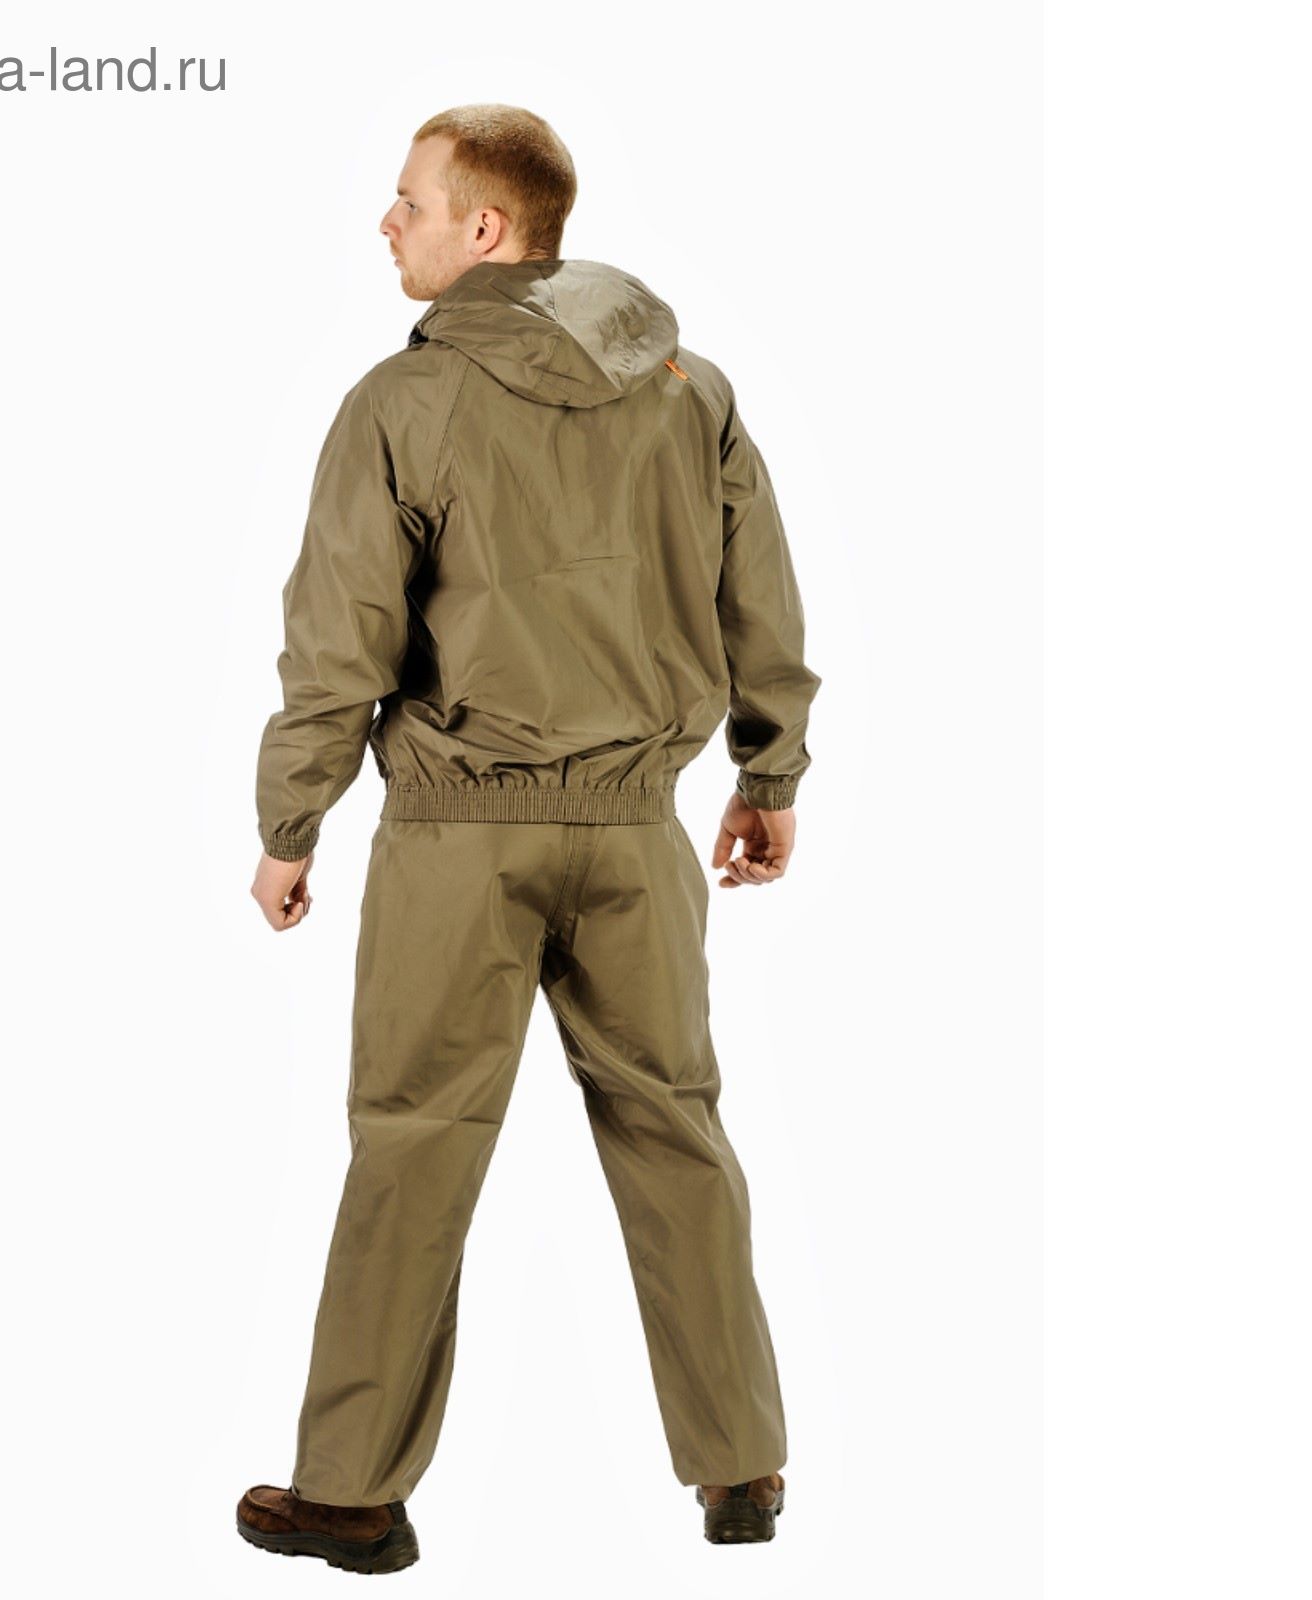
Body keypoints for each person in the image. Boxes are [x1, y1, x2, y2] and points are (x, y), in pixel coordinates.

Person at [235, 103, 821, 1575]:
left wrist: (291, 820)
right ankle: (741, 1466)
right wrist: (769, 773)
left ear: (485, 228)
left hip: (459, 838)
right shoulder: (690, 391)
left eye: (411, 201)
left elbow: (339, 642)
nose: (388, 222)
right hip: (640, 838)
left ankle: (352, 1494)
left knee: (416, 1143)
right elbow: (759, 598)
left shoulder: (403, 401)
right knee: (675, 1130)